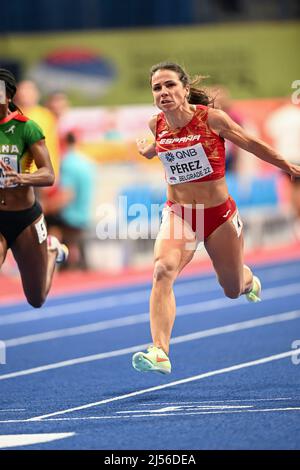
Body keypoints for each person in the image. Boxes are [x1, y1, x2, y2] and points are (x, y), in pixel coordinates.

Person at [132, 62, 300, 375]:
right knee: (162, 270)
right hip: (181, 213)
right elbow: (163, 146)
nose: (164, 92)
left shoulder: (211, 119)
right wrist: (148, 151)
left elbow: (251, 143)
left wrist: (287, 166)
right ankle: (160, 351)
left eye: (170, 85)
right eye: (157, 87)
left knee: (232, 288)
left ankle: (247, 278)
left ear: (184, 89)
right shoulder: (156, 124)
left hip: (220, 215)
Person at [0, 69, 68, 307]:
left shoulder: (27, 128)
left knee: (36, 298)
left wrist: (20, 178)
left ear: (8, 96)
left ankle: (51, 253)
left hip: (25, 219)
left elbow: (48, 174)